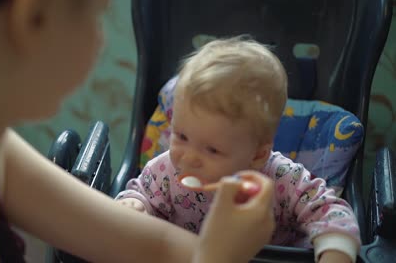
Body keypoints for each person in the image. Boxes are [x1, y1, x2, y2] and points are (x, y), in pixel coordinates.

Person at [0, 0, 276, 262]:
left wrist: (215, 249)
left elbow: (154, 244)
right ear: (33, 17)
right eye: (97, 16)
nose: (100, 41)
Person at [116, 36, 361, 263]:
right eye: (181, 136)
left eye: (212, 150)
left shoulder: (282, 179)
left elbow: (329, 211)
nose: (189, 157)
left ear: (257, 155)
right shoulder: (164, 171)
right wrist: (134, 205)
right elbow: (141, 194)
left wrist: (335, 252)